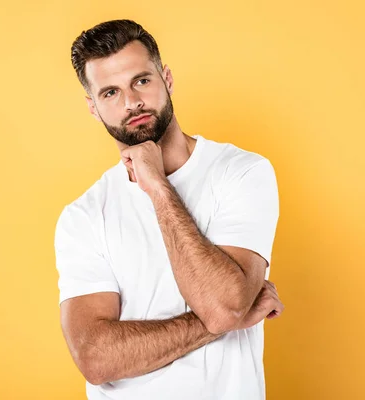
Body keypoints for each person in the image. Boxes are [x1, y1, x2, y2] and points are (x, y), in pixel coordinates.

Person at [54, 19, 284, 400]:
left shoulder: (241, 172)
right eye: (110, 92)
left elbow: (224, 303)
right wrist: (221, 320)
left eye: (141, 81)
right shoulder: (84, 216)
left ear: (167, 79)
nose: (132, 103)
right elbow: (95, 359)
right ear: (93, 108)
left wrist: (158, 187)